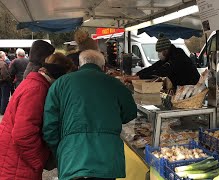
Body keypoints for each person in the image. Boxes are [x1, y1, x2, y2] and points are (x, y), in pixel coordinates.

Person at [43, 50, 137, 180]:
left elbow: (49, 126)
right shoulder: (115, 84)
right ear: (103, 67)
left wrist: (60, 150)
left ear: (79, 65)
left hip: (72, 155)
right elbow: (130, 113)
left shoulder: (60, 84)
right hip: (107, 157)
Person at [0, 48, 74, 179]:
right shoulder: (37, 89)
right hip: (17, 166)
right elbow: (23, 135)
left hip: (14, 159)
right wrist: (38, 161)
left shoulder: (35, 83)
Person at [126, 33, 200, 89]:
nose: (159, 54)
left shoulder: (178, 57)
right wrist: (136, 75)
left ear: (165, 50)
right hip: (182, 88)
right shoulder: (168, 57)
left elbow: (161, 71)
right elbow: (153, 67)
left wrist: (138, 78)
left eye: (159, 51)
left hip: (193, 89)